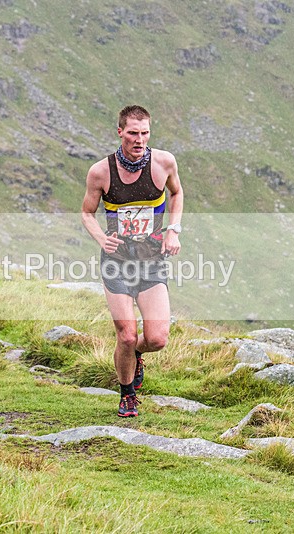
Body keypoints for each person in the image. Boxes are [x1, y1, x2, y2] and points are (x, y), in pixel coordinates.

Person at [81, 104, 184, 417]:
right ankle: (127, 394)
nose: (139, 140)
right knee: (125, 334)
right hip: (117, 261)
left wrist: (173, 230)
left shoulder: (164, 162)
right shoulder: (101, 172)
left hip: (152, 260)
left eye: (145, 133)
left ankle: (137, 353)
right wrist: (101, 237)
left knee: (157, 338)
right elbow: (86, 212)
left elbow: (177, 194)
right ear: (120, 132)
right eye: (133, 133)